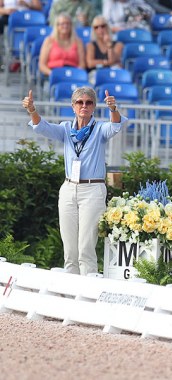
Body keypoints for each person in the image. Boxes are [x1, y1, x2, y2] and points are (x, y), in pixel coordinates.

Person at [21, 86, 128, 275]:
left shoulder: (100, 128)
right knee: (70, 251)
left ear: (94, 106)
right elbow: (43, 127)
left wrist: (113, 109)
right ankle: (69, 296)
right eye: (80, 102)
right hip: (69, 187)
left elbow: (115, 126)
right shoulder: (66, 128)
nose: (84, 106)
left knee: (86, 249)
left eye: (88, 103)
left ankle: (88, 296)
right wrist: (32, 110)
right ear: (73, 106)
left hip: (92, 189)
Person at [39, 13, 86, 77]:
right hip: (54, 73)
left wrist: (76, 75)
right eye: (62, 24)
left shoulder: (78, 42)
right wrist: (52, 74)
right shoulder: (49, 41)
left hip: (73, 73)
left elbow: (82, 64)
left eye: (67, 23)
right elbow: (42, 65)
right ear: (57, 26)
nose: (65, 26)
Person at [86, 15, 124, 83]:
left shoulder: (118, 45)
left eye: (102, 26)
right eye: (96, 27)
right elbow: (90, 63)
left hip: (113, 74)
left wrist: (109, 45)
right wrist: (107, 62)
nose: (100, 29)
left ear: (107, 27)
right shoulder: (91, 45)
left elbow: (112, 60)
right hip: (96, 74)